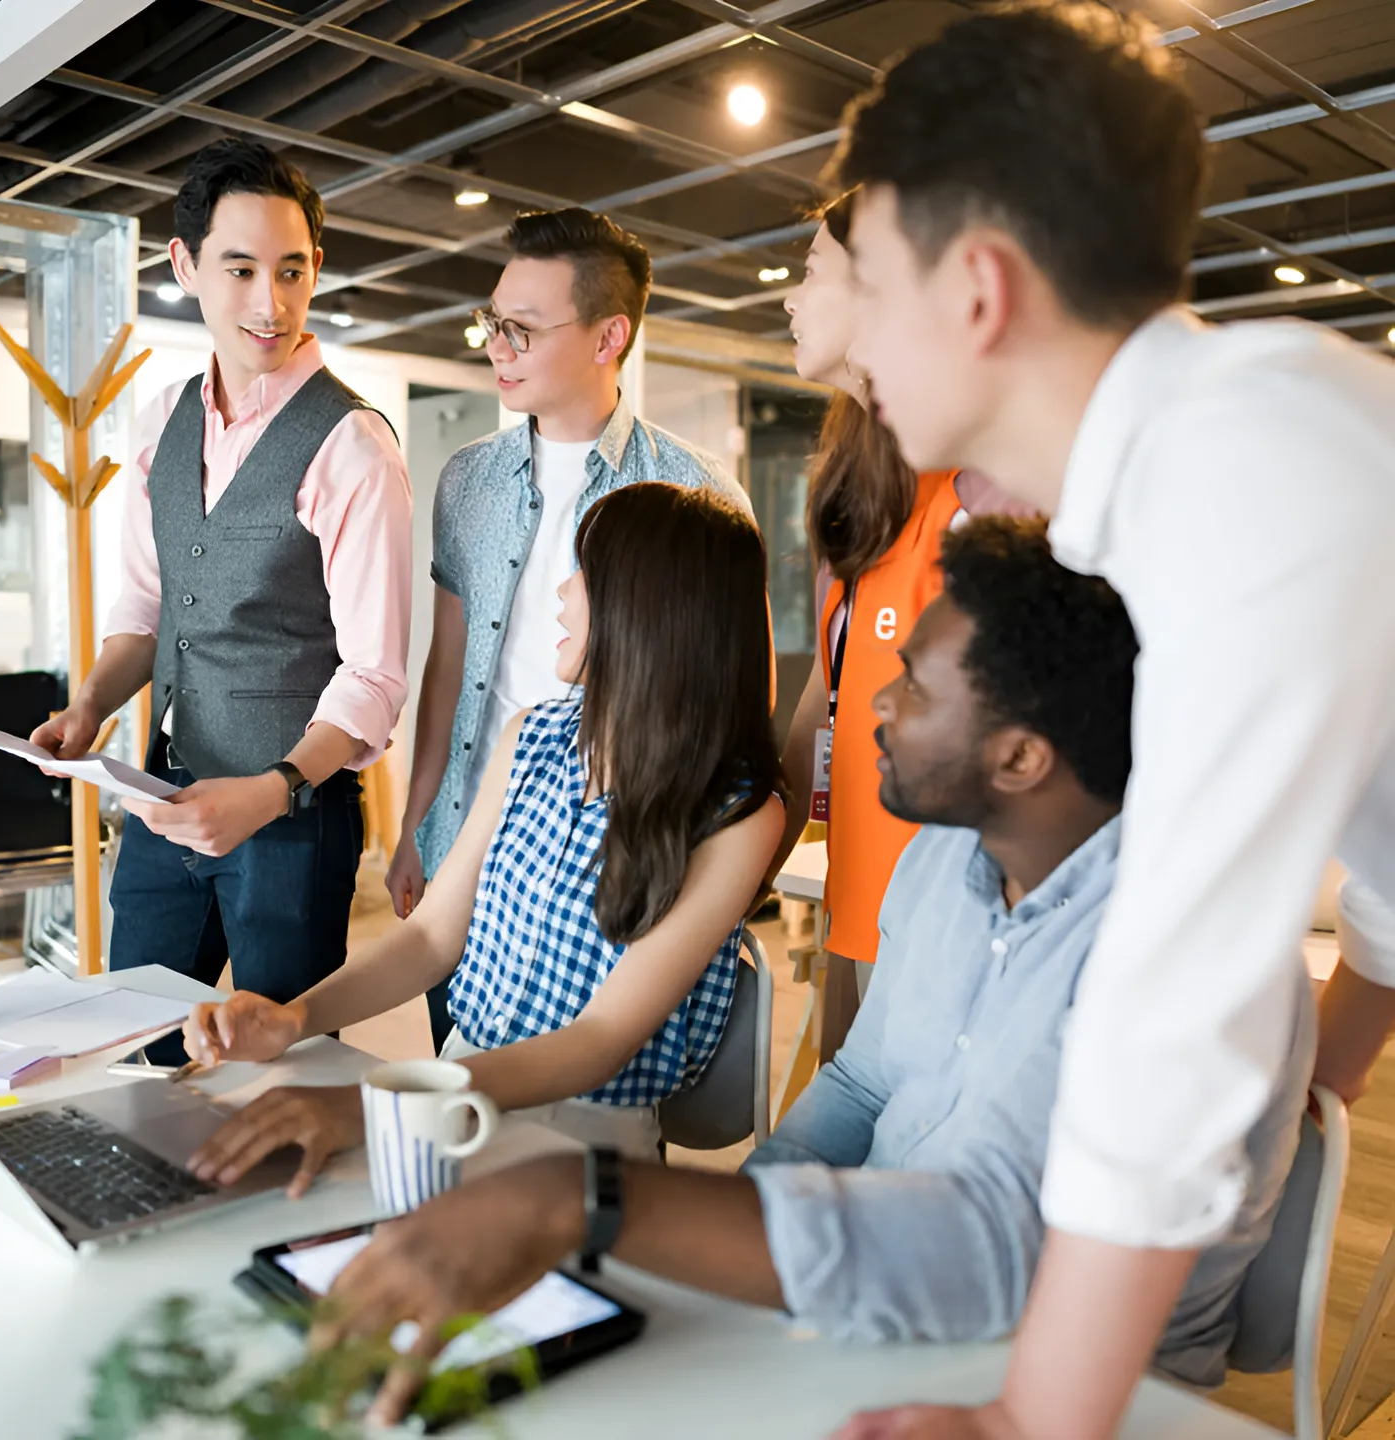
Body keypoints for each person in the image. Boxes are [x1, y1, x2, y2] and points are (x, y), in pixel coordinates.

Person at [281, 517, 1312, 1430]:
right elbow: (861, 1088)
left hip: (1078, 1380)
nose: (873, 708)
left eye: (914, 684)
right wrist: (711, 1266)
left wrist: (592, 1200)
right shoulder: (949, 863)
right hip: (890, 1303)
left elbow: (1001, 1251)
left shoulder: (1187, 949)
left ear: (1022, 758)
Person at [823, 3, 1395, 1436]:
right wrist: (1282, 1122)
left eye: (866, 280)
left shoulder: (1239, 468)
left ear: (977, 288)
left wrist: (1031, 1423)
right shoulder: (1193, 467)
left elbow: (1172, 1021)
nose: (845, 343)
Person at [180, 483, 785, 1173]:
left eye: (585, 574)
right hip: (459, 1078)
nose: (562, 593)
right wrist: (292, 1018)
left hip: (584, 1140)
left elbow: (600, 1040)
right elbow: (433, 937)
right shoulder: (534, 737)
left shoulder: (738, 814)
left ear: (651, 608)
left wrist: (387, 1105)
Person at [31, 139, 411, 1065]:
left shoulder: (354, 446)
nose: (269, 304)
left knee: (279, 1070)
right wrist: (89, 708)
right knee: (137, 1046)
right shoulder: (161, 420)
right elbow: (146, 605)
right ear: (185, 263)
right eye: (240, 269)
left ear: (317, 267)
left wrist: (272, 792)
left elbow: (375, 676)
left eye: (291, 271)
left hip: (295, 822)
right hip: (163, 800)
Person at [384, 207, 749, 1052]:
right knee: (462, 1061)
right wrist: (417, 820)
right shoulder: (469, 480)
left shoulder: (691, 492)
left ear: (607, 335)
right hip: (471, 844)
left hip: (617, 858)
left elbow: (733, 693)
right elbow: (451, 667)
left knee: (599, 1104)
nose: (494, 347)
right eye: (490, 322)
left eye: (520, 329)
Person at [774, 190, 1033, 1055]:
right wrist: (751, 866)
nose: (788, 297)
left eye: (811, 272)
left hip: (947, 926)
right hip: (858, 906)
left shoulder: (988, 487)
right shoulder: (859, 489)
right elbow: (831, 694)